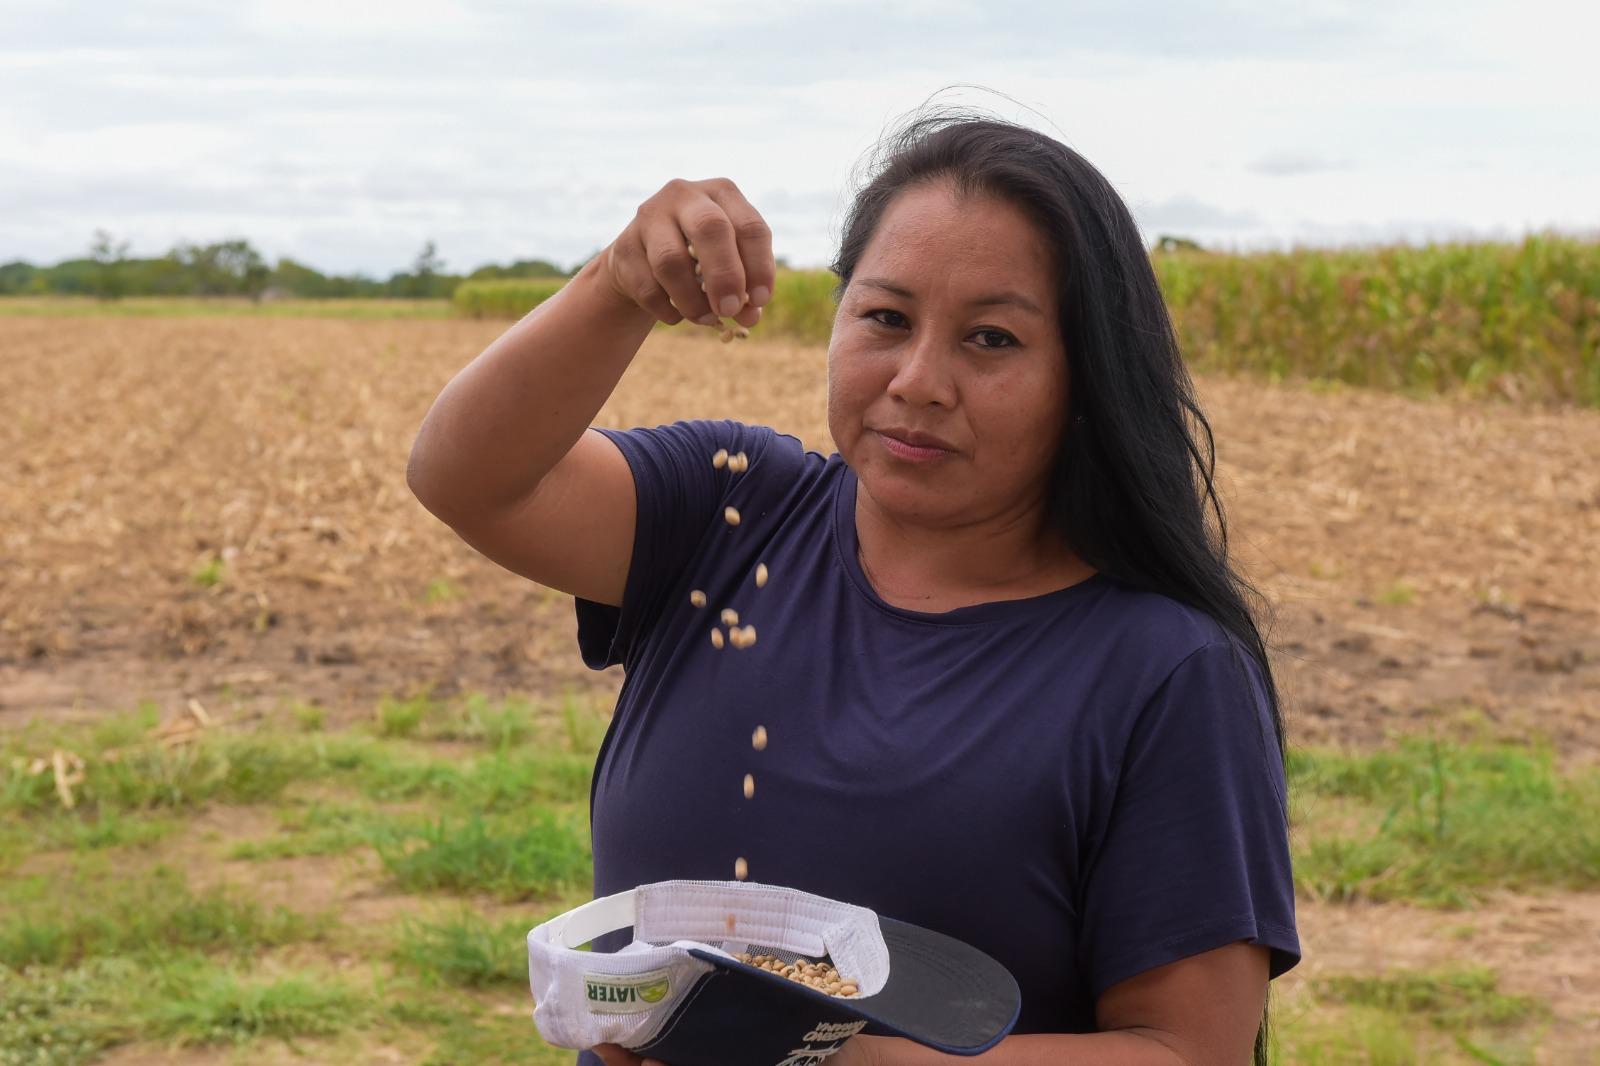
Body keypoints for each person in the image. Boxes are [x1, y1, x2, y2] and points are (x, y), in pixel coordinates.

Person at [407, 109, 1301, 1066]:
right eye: (886, 318)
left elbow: (1187, 1050)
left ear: (1087, 384)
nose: (919, 380)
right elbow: (467, 479)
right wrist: (617, 285)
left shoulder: (1162, 671)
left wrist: (821, 1058)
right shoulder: (731, 516)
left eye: (991, 340)